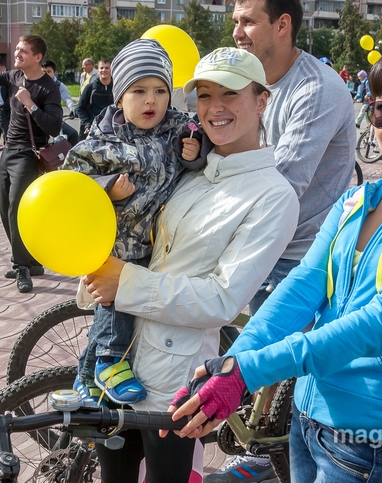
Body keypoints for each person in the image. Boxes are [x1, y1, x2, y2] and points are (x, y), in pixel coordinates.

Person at [169, 35, 382, 483]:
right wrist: (231, 368)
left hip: (371, 441)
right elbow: (302, 287)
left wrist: (249, 369)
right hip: (305, 420)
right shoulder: (360, 197)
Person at [81, 47, 299, 483]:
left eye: (230, 94)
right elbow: (135, 235)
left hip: (172, 381)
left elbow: (222, 299)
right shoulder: (187, 167)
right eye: (203, 95)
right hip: (115, 365)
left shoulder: (273, 196)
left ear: (262, 100)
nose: (215, 108)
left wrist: (123, 282)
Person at [215, 0, 356, 480]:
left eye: (247, 21)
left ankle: (270, 457)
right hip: (268, 238)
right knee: (258, 349)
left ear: (282, 25)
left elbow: (285, 183)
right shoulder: (255, 81)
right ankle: (262, 442)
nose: (237, 32)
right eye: (235, 21)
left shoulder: (315, 89)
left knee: (282, 364)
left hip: (304, 250)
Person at [65, 39, 201, 406]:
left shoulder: (177, 128)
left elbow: (196, 153)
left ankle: (85, 375)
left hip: (157, 239)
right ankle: (110, 360)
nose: (151, 101)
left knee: (131, 299)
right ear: (120, 97)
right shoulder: (104, 139)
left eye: (159, 90)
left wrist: (194, 152)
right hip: (117, 238)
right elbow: (70, 180)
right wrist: (106, 187)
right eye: (138, 91)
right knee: (118, 302)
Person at [0, 30, 63, 293]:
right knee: (6, 209)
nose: (17, 54)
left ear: (37, 57)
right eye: (17, 49)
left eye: (23, 51)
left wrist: (30, 104)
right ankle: (29, 262)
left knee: (18, 209)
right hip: (8, 152)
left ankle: (22, 268)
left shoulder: (47, 87)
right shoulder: (15, 75)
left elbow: (54, 126)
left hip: (29, 154)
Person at [41, 59, 79, 146]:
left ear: (54, 72)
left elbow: (67, 99)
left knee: (72, 134)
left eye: (49, 71)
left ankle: (70, 158)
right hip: (39, 119)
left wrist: (73, 108)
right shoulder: (36, 84)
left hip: (55, 120)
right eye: (43, 71)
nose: (46, 74)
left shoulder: (59, 85)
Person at [76, 59, 113, 140]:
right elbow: (79, 108)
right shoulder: (90, 88)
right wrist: (87, 123)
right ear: (98, 70)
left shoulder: (117, 88)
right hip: (93, 129)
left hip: (112, 129)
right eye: (101, 68)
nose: (104, 70)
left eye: (107, 68)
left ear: (111, 69)